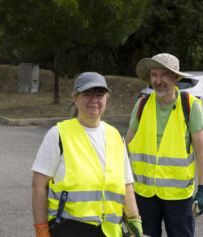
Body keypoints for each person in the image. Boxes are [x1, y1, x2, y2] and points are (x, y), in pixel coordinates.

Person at [31, 72, 143, 237]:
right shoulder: (58, 134)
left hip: (110, 231)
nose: (94, 100)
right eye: (87, 94)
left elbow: (126, 184)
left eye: (99, 94)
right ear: (75, 98)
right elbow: (38, 185)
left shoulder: (115, 136)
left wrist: (134, 219)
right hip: (70, 228)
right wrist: (41, 230)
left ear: (106, 99)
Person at [125, 53, 203, 237]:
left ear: (175, 77)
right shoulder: (141, 105)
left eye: (164, 74)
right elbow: (126, 146)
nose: (158, 80)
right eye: (154, 75)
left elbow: (202, 152)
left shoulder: (189, 105)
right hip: (144, 193)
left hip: (178, 196)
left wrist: (202, 189)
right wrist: (122, 185)